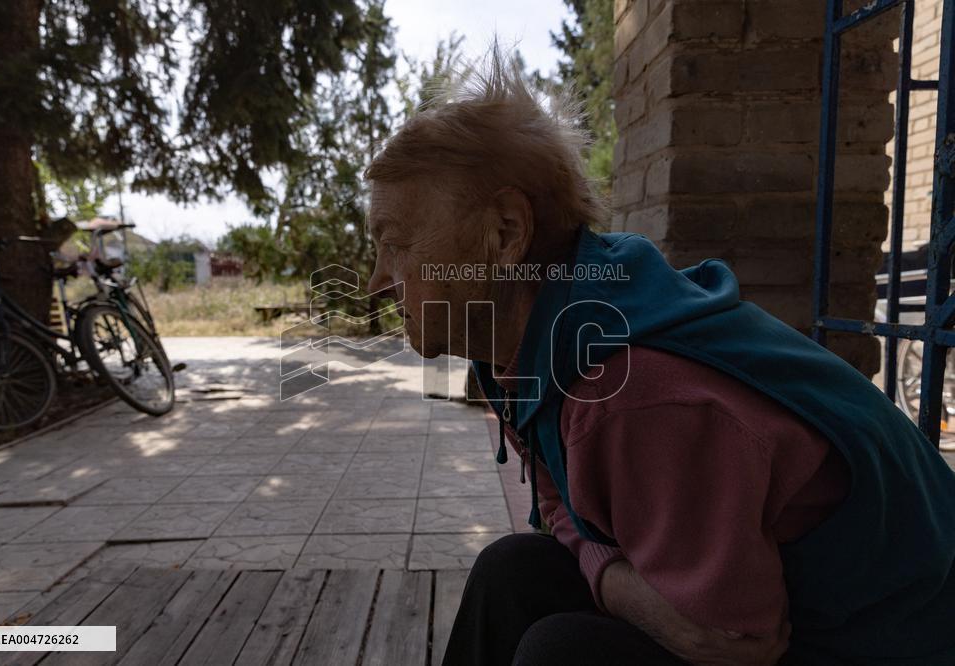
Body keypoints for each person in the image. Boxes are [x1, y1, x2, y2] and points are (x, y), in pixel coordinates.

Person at [363, 40, 955, 665]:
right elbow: (555, 505)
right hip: (785, 617)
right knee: (513, 570)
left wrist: (604, 575)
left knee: (561, 653)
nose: (377, 279)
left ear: (505, 232)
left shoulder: (626, 389)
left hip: (881, 645)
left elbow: (734, 640)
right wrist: (613, 576)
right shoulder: (530, 346)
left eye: (394, 243)